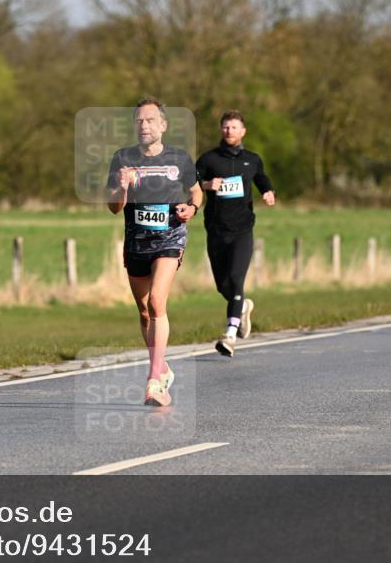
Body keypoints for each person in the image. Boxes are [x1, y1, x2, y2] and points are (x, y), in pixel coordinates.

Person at [108, 98, 203, 406]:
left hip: (170, 237)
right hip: (136, 242)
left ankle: (154, 381)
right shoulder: (122, 158)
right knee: (144, 310)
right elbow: (113, 207)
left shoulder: (180, 158)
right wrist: (122, 188)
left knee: (158, 300)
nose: (144, 125)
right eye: (139, 120)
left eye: (150, 120)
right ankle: (162, 366)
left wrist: (193, 209)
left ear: (163, 125)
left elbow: (196, 191)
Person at [196, 110, 276, 357]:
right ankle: (242, 306)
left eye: (233, 127)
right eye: (225, 127)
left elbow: (261, 179)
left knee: (236, 278)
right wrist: (207, 185)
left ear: (243, 131)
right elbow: (190, 184)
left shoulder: (252, 160)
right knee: (223, 285)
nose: (229, 131)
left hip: (242, 229)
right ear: (221, 129)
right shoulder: (208, 159)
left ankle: (230, 335)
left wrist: (268, 192)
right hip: (216, 229)